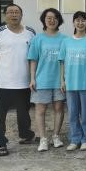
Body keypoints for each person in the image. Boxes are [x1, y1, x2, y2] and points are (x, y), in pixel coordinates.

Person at [59, 11, 86, 151]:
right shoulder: (66, 41)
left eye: (83, 20)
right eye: (77, 20)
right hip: (71, 83)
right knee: (72, 113)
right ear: (73, 22)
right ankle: (75, 139)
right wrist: (62, 81)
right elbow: (62, 62)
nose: (80, 23)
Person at [0, 4, 36, 145]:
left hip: (24, 80)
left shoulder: (30, 33)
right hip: (3, 82)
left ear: (21, 15)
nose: (13, 14)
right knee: (0, 114)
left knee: (24, 112)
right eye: (10, 12)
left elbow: (34, 55)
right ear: (5, 15)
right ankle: (0, 142)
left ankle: (25, 134)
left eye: (16, 12)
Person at [28, 8, 67, 151]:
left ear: (59, 20)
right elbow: (33, 60)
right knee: (40, 110)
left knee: (59, 108)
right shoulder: (37, 39)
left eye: (55, 17)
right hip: (42, 79)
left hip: (59, 80)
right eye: (49, 17)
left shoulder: (65, 39)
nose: (52, 20)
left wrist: (65, 79)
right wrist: (32, 78)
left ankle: (56, 136)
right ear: (44, 20)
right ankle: (43, 138)